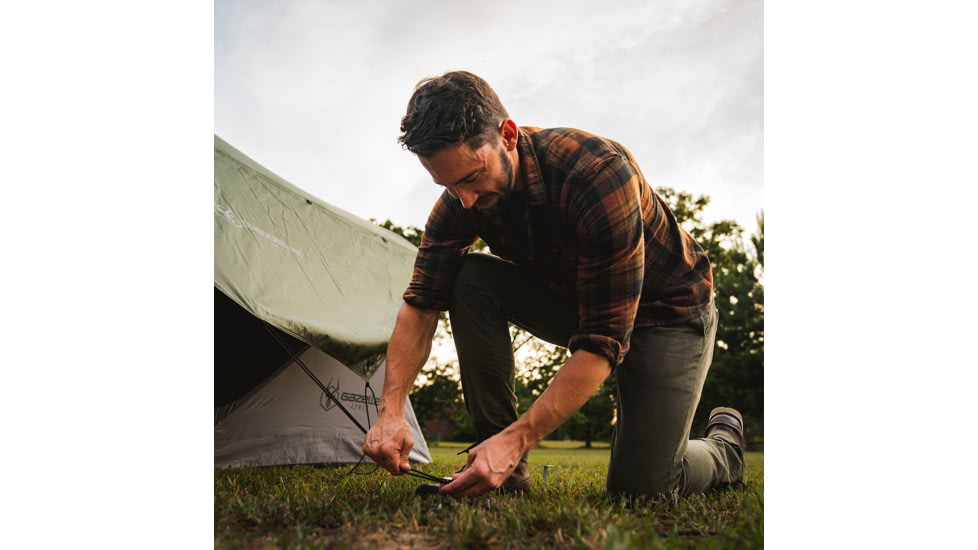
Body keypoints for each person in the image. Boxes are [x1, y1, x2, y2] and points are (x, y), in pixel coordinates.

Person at [362, 70, 745, 499]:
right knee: (469, 277)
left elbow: (602, 339)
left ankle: (724, 448)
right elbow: (421, 304)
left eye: (471, 178)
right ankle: (502, 468)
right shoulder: (460, 201)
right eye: (447, 185)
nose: (464, 199)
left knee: (641, 492)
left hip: (668, 315)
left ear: (507, 135)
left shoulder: (597, 174)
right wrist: (390, 412)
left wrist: (520, 437)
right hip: (580, 301)